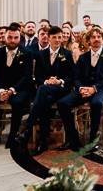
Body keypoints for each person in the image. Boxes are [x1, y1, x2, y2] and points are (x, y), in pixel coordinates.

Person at [58, 27, 103, 151]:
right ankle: (73, 139)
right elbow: (76, 77)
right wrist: (80, 88)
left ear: (102, 38)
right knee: (63, 103)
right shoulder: (83, 57)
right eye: (93, 37)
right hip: (84, 89)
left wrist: (94, 88)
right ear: (89, 40)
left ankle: (93, 139)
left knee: (96, 103)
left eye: (98, 37)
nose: (96, 39)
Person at [17, 26, 74, 155]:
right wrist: (46, 81)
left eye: (60, 37)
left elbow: (71, 77)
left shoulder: (67, 54)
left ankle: (28, 131)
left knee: (42, 93)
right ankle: (42, 141)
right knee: (44, 101)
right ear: (48, 38)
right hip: (46, 91)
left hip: (61, 90)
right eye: (54, 37)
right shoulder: (40, 54)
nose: (58, 40)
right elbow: (37, 76)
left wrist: (59, 81)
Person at [0, 24, 34, 148]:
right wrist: (1, 90)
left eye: (15, 37)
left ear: (20, 38)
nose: (12, 40)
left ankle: (12, 136)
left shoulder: (27, 53)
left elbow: (27, 76)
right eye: (10, 37)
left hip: (19, 88)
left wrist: (11, 90)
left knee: (17, 103)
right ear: (5, 37)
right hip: (0, 88)